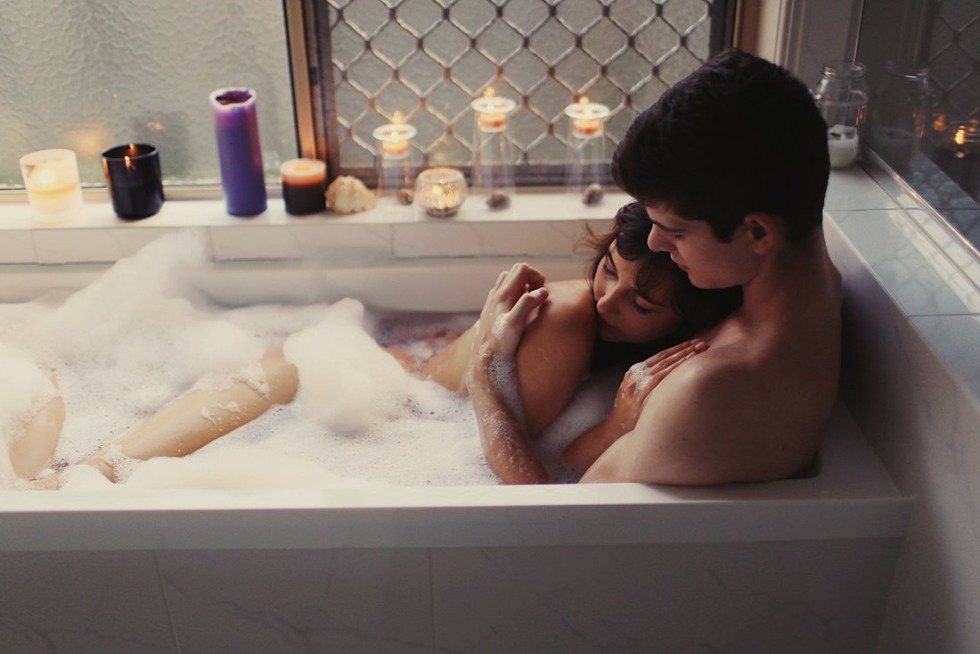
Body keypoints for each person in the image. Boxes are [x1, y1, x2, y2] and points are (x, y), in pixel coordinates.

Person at [9, 203, 739, 487]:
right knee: (102, 475)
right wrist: (486, 358)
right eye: (609, 269)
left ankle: (57, 433)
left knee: (115, 463)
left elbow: (562, 456)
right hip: (331, 375)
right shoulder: (575, 318)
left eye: (641, 302)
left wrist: (615, 424)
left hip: (381, 384)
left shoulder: (624, 343)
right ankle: (54, 447)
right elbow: (529, 487)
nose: (609, 298)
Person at [466, 49, 842, 486]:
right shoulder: (821, 289)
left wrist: (484, 370)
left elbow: (551, 515)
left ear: (757, 232)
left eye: (675, 232)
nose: (654, 243)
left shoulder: (706, 392)